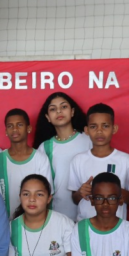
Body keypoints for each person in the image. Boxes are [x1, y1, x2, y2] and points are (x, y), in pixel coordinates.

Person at [67, 104, 129, 221]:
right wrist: (80, 192)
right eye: (93, 127)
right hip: (85, 225)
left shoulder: (125, 160)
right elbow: (75, 199)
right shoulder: (78, 160)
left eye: (105, 126)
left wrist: (113, 191)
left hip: (116, 226)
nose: (99, 131)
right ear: (86, 130)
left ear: (114, 129)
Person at [0, 109, 53, 219]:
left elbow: (46, 194)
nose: (15, 129)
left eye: (19, 125)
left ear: (29, 128)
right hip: (4, 223)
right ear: (6, 131)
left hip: (34, 223)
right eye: (10, 126)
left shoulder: (40, 158)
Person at [34, 92, 91, 221]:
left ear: (72, 112)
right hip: (57, 214)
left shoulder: (88, 140)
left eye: (64, 107)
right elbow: (41, 185)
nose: (59, 111)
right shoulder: (45, 147)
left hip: (87, 211)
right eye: (53, 109)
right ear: (48, 117)